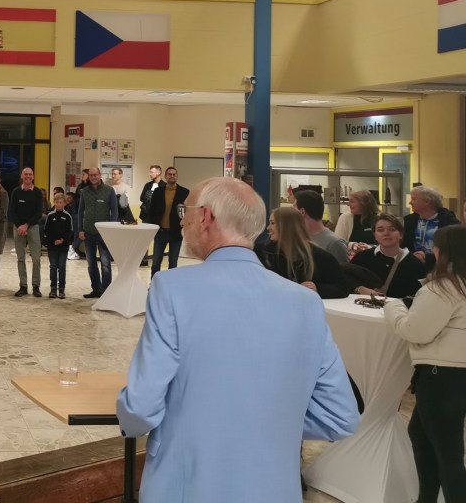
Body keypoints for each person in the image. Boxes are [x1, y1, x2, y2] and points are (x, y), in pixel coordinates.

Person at [117, 177, 360, 502]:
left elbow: (139, 409)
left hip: (187, 484)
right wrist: (265, 420)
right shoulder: (305, 303)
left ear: (205, 217)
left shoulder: (172, 288)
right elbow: (340, 416)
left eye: (185, 211)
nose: (182, 221)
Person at [384, 225, 466, 503]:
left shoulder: (445, 287)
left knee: (448, 453)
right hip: (453, 375)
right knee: (420, 434)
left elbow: (415, 331)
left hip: (440, 376)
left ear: (440, 251)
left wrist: (393, 306)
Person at [255, 208, 348, 299]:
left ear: (287, 226)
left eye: (272, 223)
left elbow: (342, 288)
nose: (268, 228)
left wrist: (317, 288)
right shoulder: (261, 252)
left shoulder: (320, 257)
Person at [350, 213, 429, 298]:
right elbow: (346, 280)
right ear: (375, 235)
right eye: (380, 230)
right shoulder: (361, 258)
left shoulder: (415, 265)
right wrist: (359, 288)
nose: (386, 233)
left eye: (392, 229)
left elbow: (418, 297)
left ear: (401, 234)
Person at [78, 167, 118, 299]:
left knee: (106, 264)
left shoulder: (109, 190)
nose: (93, 177)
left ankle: (106, 292)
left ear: (100, 175)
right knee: (91, 264)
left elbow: (114, 212)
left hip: (104, 234)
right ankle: (96, 289)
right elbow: (80, 212)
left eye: (95, 175)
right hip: (88, 233)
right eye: (91, 175)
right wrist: (80, 229)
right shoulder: (84, 191)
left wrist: (111, 229)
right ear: (88, 177)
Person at [145, 167, 189, 276]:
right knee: (156, 262)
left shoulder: (185, 192)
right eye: (169, 174)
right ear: (165, 176)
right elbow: (152, 210)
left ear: (177, 176)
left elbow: (188, 211)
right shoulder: (158, 191)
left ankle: (170, 285)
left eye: (174, 174)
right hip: (160, 232)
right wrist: (153, 227)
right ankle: (154, 284)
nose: (172, 176)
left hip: (176, 232)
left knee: (173, 263)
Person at [8, 167, 44, 298]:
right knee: (20, 258)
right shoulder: (16, 192)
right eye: (25, 174)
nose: (28, 176)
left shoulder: (38, 192)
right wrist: (20, 226)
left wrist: (27, 225)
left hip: (33, 227)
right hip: (18, 228)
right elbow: (12, 211)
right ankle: (23, 286)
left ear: (33, 177)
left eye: (30, 174)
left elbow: (39, 212)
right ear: (22, 176)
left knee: (36, 258)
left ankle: (36, 286)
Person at [403, 186, 460, 267]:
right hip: (413, 265)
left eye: (413, 199)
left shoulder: (449, 221)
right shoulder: (409, 220)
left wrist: (426, 257)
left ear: (427, 201)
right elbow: (404, 244)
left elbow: (454, 249)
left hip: (440, 267)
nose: (410, 202)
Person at [294, 190, 349, 264]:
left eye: (294, 208)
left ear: (302, 212)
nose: (291, 213)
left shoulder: (335, 244)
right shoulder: (296, 238)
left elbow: (342, 270)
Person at [45, 192, 73, 299]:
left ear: (64, 203)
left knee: (62, 267)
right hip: (52, 246)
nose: (59, 204)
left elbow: (70, 231)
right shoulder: (50, 216)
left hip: (63, 246)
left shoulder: (68, 216)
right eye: (57, 202)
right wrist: (53, 240)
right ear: (54, 203)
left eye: (61, 202)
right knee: (53, 267)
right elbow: (47, 230)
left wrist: (63, 240)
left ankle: (61, 288)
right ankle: (53, 288)